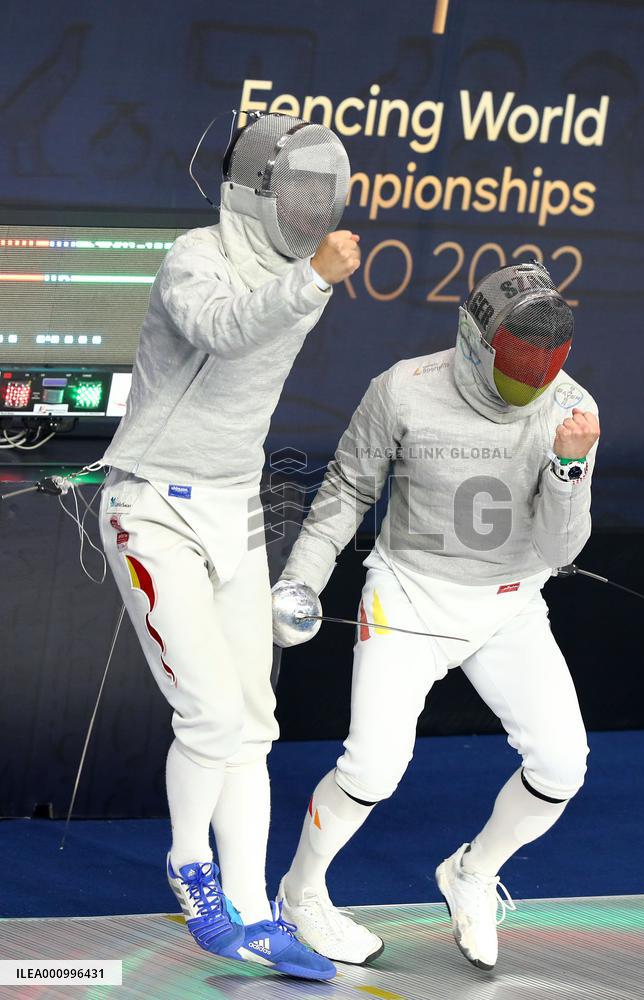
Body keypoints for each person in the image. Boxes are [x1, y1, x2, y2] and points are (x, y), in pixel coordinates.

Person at [272, 260, 600, 971]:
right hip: (409, 595)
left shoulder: (570, 409)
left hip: (510, 604)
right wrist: (299, 581)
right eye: (519, 360)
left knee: (561, 764)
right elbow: (344, 491)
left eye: (545, 362)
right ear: (478, 341)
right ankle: (299, 896)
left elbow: (560, 548)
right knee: (374, 766)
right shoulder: (403, 389)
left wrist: (569, 468)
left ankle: (472, 873)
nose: (532, 376)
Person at [97, 111, 358, 980]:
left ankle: (254, 911)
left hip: (233, 508)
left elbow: (270, 315)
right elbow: (226, 328)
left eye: (325, 191)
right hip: (152, 506)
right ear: (255, 192)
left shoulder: (298, 270)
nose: (315, 206)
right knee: (208, 713)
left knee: (252, 727)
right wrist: (313, 278)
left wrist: (308, 276)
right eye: (301, 190)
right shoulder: (194, 256)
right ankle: (189, 868)